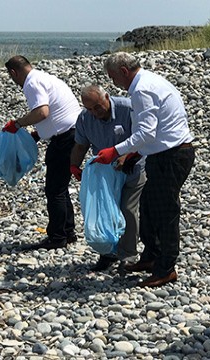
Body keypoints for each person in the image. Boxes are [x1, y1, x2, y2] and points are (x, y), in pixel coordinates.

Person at [95, 52, 195, 287]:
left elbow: (146, 133)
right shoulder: (149, 81)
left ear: (123, 71)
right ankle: (151, 257)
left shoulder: (142, 90)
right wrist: (136, 153)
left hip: (171, 156)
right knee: (148, 207)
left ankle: (166, 268)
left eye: (112, 77)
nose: (113, 82)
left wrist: (116, 151)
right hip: (162, 152)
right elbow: (157, 129)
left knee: (165, 213)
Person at [2, 55, 80, 250]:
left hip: (64, 138)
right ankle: (68, 231)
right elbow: (54, 112)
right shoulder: (45, 77)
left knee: (54, 190)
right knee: (61, 187)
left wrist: (17, 123)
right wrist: (38, 133)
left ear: (14, 72)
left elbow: (42, 112)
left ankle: (57, 237)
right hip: (73, 133)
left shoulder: (31, 83)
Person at [70, 85, 146, 271]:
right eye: (89, 109)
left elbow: (144, 136)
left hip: (132, 168)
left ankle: (128, 254)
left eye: (97, 107)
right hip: (104, 173)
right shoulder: (85, 118)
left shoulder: (127, 109)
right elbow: (80, 145)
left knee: (127, 209)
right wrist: (74, 166)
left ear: (106, 97)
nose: (94, 112)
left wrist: (127, 155)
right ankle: (108, 252)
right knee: (105, 210)